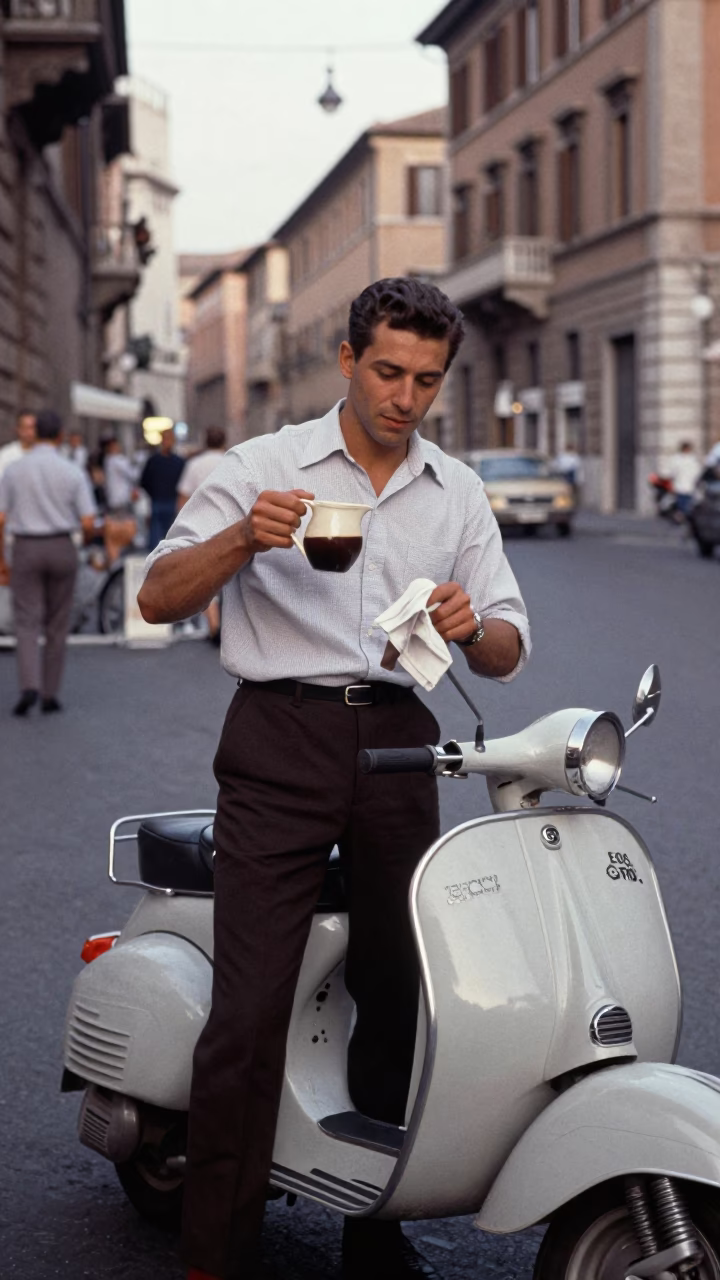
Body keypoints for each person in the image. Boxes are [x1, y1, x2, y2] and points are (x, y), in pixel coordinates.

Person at [138, 278, 531, 1280]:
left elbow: (507, 648)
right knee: (253, 1001)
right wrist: (241, 537)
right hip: (279, 738)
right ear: (349, 360)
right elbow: (156, 591)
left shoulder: (456, 488)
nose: (405, 397)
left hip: (400, 741)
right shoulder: (259, 468)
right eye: (390, 371)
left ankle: (375, 1225)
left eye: (427, 380)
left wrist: (467, 625)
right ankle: (213, 1252)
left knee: (403, 986)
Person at [0, 408, 96, 716]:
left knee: (26, 620)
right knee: (57, 621)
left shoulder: (13, 470)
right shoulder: (71, 471)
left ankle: (29, 683)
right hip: (60, 545)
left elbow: (1, 517)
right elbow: (88, 519)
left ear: (33, 432)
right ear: (59, 436)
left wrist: (2, 557)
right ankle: (50, 692)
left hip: (25, 546)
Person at [177, 426, 228, 644]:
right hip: (231, 521)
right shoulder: (233, 460)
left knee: (209, 576)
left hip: (203, 523)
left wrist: (180, 525)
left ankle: (214, 624)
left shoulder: (194, 464)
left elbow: (183, 496)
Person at [140, 426, 185, 550]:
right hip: (158, 502)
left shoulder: (179, 462)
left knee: (172, 538)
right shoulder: (153, 461)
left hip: (173, 502)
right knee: (156, 539)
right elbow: (144, 481)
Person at [101, 436, 139, 566]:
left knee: (113, 537)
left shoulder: (108, 461)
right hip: (121, 503)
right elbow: (134, 474)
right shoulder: (116, 460)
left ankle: (115, 561)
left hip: (114, 503)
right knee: (125, 534)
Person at [667, 441, 701, 516]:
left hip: (690, 484)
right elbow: (673, 471)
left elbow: (697, 471)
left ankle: (686, 515)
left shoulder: (693, 458)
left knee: (689, 502)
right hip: (680, 484)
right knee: (681, 502)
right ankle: (681, 514)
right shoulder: (677, 458)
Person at [0, 410, 37, 480]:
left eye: (33, 428)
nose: (30, 432)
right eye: (26, 428)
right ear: (19, 429)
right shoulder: (6, 455)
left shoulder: (43, 454)